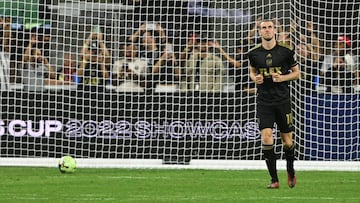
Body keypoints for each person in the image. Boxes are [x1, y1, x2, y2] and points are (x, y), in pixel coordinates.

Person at [248, 19, 300, 189]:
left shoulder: (285, 51)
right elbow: (252, 71)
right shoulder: (254, 53)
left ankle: (290, 170)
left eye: (270, 27)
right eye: (264, 28)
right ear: (259, 32)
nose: (267, 30)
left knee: (287, 141)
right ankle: (274, 179)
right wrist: (254, 78)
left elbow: (297, 73)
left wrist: (282, 78)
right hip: (264, 101)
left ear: (274, 30)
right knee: (266, 136)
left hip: (282, 101)